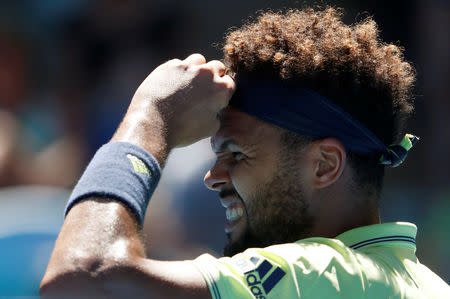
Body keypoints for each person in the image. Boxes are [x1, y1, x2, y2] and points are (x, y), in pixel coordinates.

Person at [40, 8, 449, 298]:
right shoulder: (421, 284)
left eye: (236, 153)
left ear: (325, 165)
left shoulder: (328, 275)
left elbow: (81, 280)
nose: (213, 176)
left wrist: (149, 117)